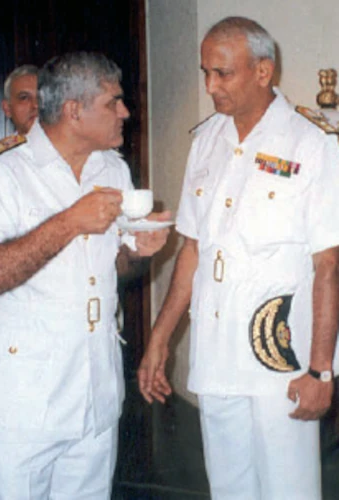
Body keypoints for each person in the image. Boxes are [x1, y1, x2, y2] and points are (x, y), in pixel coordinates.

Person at [138, 16, 339, 500]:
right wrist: (159, 338)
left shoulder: (312, 143)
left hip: (280, 356)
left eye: (223, 73)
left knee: (288, 489)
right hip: (216, 352)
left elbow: (329, 264)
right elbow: (192, 250)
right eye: (206, 71)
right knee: (228, 489)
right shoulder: (207, 140)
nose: (210, 85)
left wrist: (320, 370)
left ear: (263, 72)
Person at [0, 51, 170, 500]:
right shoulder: (2, 174)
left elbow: (115, 267)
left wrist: (139, 253)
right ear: (74, 110)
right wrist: (70, 221)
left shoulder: (113, 168)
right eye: (114, 101)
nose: (126, 111)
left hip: (96, 392)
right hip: (26, 401)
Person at [1, 64, 38, 135]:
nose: (36, 105)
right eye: (24, 98)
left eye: (41, 97)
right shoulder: (8, 146)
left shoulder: (64, 145)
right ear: (7, 109)